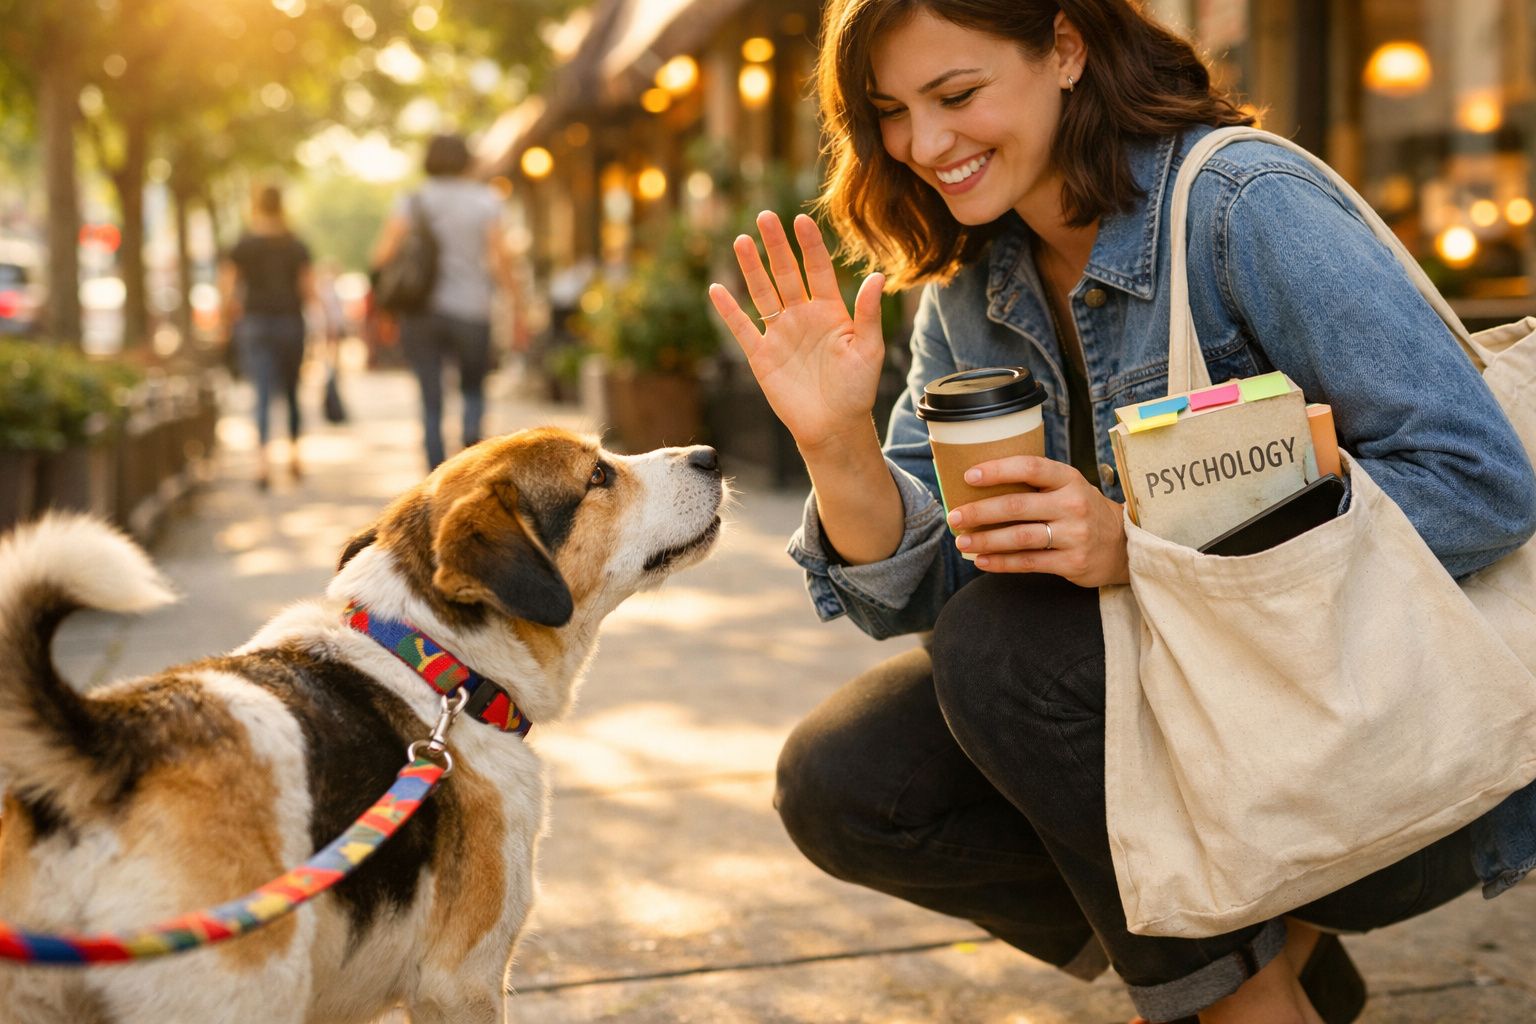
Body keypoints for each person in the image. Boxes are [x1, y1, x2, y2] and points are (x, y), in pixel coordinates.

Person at [706, 2, 1536, 1022]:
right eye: (890, 112)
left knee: (1006, 651)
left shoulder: (1245, 202)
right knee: (846, 782)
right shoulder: (974, 285)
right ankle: (1271, 972)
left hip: (1374, 737)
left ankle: (1239, 1003)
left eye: (957, 95)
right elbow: (923, 592)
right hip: (1197, 734)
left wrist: (1139, 545)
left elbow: (1474, 482)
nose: (924, 145)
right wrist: (835, 443)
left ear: (1065, 47)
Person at [372, 133, 518, 470]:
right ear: (466, 159)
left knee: (431, 398)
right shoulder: (486, 199)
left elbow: (383, 254)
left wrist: (386, 299)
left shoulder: (413, 200)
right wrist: (517, 305)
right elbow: (501, 259)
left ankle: (436, 476)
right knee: (473, 388)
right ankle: (471, 456)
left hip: (421, 312)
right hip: (472, 310)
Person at [221, 184, 315, 488]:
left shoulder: (244, 243)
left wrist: (226, 320)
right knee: (291, 391)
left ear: (257, 205)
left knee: (261, 393)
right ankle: (294, 456)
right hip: (290, 322)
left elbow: (227, 285)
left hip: (255, 323)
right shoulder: (296, 243)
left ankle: (262, 464)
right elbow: (308, 290)